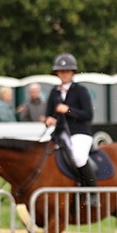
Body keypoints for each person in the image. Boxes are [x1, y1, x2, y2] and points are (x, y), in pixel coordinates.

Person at [44, 53, 98, 207]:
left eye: (67, 71)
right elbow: (50, 113)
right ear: (57, 73)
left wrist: (68, 110)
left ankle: (93, 192)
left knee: (79, 157)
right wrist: (49, 120)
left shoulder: (80, 91)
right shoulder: (54, 92)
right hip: (60, 133)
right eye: (61, 72)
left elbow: (88, 114)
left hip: (79, 132)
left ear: (72, 72)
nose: (64, 74)